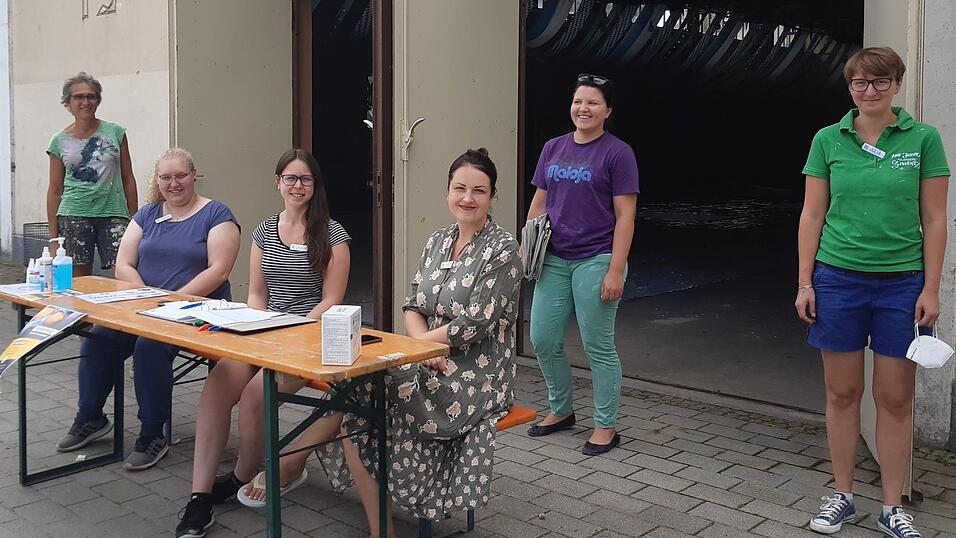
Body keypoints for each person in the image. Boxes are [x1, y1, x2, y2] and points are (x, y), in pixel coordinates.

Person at [234, 148, 520, 538]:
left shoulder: (502, 248)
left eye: (478, 191)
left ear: (492, 195)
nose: (467, 198)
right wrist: (421, 348)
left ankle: (290, 463)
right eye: (459, 188)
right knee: (358, 400)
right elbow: (413, 302)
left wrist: (422, 350)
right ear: (447, 191)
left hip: (476, 369)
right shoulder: (438, 239)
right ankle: (373, 524)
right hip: (427, 351)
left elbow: (477, 323)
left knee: (363, 395)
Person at [796, 47, 949, 538]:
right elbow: (812, 216)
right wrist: (805, 281)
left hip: (901, 285)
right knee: (842, 393)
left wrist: (930, 288)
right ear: (850, 89)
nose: (870, 91)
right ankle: (842, 496)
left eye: (880, 82)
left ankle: (891, 506)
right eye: (860, 83)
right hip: (837, 280)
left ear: (898, 85)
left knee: (894, 397)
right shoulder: (827, 139)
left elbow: (935, 219)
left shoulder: (923, 139)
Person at [175, 149, 350, 538]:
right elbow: (256, 294)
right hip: (264, 332)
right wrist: (253, 329)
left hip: (307, 339)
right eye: (290, 178)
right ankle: (199, 498)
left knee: (256, 395)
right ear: (277, 183)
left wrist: (291, 329)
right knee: (217, 385)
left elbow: (331, 300)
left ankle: (243, 474)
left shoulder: (333, 235)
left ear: (315, 185)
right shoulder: (263, 232)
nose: (297, 185)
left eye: (305, 179)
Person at [55, 148, 241, 472]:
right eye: (165, 177)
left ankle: (153, 435)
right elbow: (123, 263)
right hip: (142, 307)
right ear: (157, 179)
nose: (174, 183)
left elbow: (219, 270)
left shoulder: (216, 214)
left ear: (194, 175)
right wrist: (146, 298)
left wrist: (172, 301)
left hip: (195, 310)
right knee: (97, 339)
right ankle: (91, 417)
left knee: (150, 347)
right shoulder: (147, 214)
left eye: (180, 175)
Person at [525, 73, 639, 455]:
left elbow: (626, 216)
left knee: (597, 345)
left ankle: (606, 426)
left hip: (596, 258)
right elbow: (540, 203)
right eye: (578, 101)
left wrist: (616, 269)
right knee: (542, 337)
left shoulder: (617, 153)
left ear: (608, 111)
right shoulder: (553, 148)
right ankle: (561, 410)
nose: (583, 108)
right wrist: (527, 248)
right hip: (554, 258)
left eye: (593, 103)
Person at [47, 72, 139, 276]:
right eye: (78, 97)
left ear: (98, 100)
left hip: (114, 213)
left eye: (91, 96)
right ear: (68, 103)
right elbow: (55, 190)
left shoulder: (116, 132)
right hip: (74, 213)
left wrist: (135, 221)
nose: (85, 102)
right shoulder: (58, 141)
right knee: (80, 279)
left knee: (124, 272)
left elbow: (128, 179)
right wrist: (54, 239)